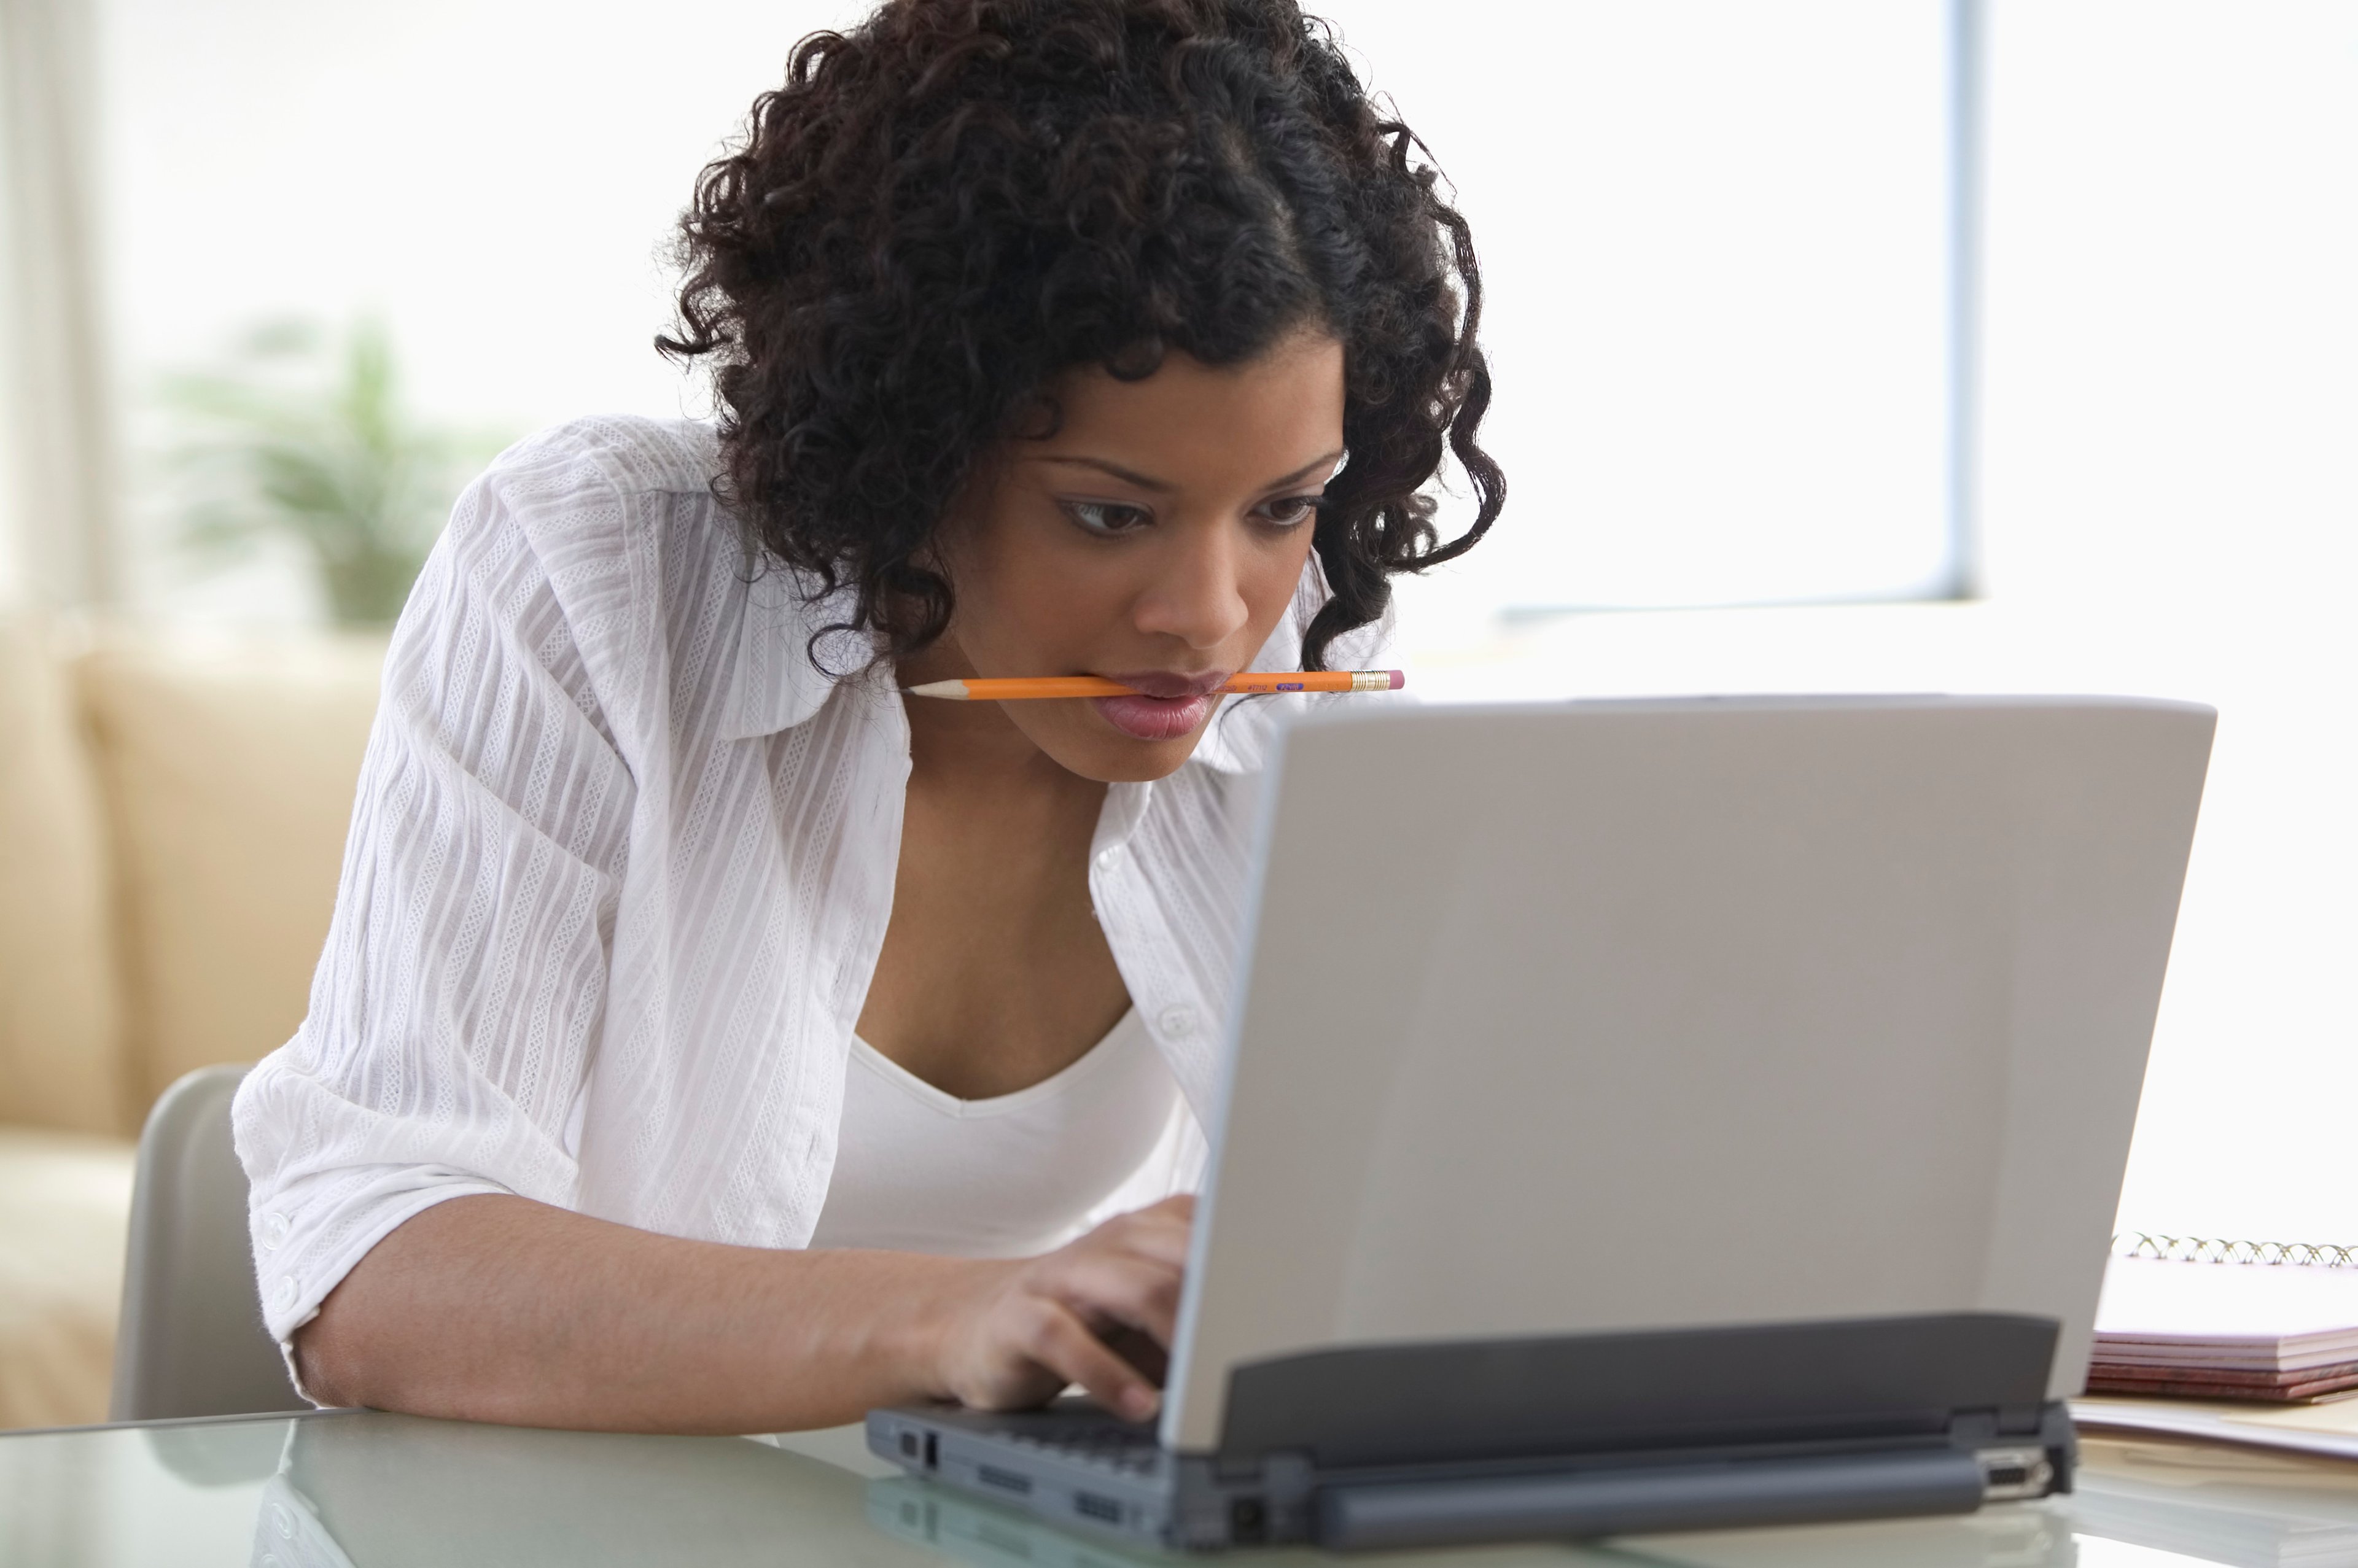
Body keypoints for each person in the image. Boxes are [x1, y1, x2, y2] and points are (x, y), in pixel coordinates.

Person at [233, 0, 1501, 1435]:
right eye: (1109, 512)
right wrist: (963, 1311)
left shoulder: (1314, 636)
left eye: (1281, 506)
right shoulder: (597, 568)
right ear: (918, 445)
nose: (1213, 612)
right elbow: (368, 1264)